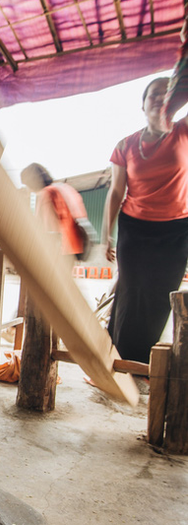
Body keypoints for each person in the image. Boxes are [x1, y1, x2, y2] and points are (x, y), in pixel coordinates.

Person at [102, 63, 188, 364]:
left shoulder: (184, 131)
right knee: (130, 291)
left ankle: (139, 363)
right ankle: (115, 358)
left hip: (176, 230)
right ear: (142, 103)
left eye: (167, 93)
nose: (159, 98)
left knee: (158, 296)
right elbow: (115, 193)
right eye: (153, 93)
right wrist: (106, 238)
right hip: (134, 228)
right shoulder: (125, 144)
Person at [20, 162, 89, 257]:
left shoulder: (46, 193)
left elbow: (49, 228)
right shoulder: (63, 188)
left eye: (26, 184)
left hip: (60, 250)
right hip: (74, 246)